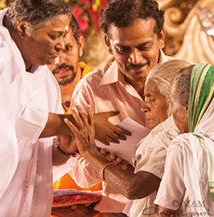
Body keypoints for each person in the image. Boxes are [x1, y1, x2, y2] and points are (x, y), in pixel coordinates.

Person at [0, 0, 129, 216]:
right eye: (53, 36)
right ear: (24, 28)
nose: (60, 45)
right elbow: (14, 120)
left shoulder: (43, 76)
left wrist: (65, 149)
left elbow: (38, 155)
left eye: (64, 36)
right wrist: (81, 124)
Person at [69, 0, 171, 215]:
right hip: (118, 211)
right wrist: (105, 166)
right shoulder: (90, 89)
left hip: (179, 206)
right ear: (108, 42)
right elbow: (78, 173)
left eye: (144, 47)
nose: (134, 59)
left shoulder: (187, 79)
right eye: (122, 49)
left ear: (160, 38)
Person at [64, 59, 190, 217]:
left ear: (174, 99)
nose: (144, 107)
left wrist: (89, 151)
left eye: (152, 99)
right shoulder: (179, 130)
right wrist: (130, 171)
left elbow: (134, 189)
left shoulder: (168, 134)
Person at [154, 63, 214, 216]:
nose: (171, 113)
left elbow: (166, 210)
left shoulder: (185, 146)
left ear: (188, 108)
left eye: (172, 102)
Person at [48, 16, 102, 217]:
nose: (60, 61)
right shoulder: (29, 103)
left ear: (80, 44)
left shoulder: (108, 92)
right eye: (51, 53)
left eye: (67, 49)